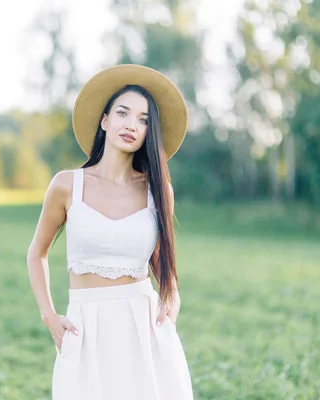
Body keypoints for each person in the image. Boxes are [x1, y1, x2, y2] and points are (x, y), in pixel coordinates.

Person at [26, 64, 194, 400]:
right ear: (104, 121)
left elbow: (162, 260)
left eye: (144, 120)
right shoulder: (66, 185)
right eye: (123, 113)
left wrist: (172, 297)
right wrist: (49, 316)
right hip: (86, 327)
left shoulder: (158, 190)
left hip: (144, 327)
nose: (132, 124)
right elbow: (37, 253)